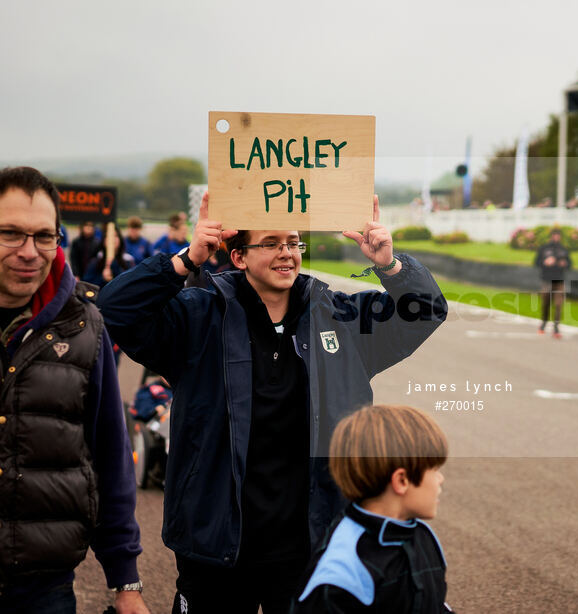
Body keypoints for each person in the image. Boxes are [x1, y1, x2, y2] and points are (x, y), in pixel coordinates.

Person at [97, 193, 447, 614]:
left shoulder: (340, 316)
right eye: (272, 242)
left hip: (311, 547)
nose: (286, 252)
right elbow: (114, 309)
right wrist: (187, 259)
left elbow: (425, 311)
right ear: (239, 256)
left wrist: (390, 266)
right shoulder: (197, 316)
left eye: (294, 242)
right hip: (216, 548)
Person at [0, 167, 148, 613]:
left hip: (44, 588)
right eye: (11, 234)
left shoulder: (85, 324)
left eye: (44, 236)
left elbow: (111, 454)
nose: (30, 252)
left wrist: (126, 582)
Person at [292, 404, 451, 613]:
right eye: (434, 469)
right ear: (401, 480)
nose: (441, 479)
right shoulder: (343, 570)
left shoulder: (424, 537)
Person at [535, 228, 571, 338]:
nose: (556, 237)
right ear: (551, 236)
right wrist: (545, 262)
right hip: (547, 279)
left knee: (558, 304)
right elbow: (536, 262)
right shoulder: (544, 248)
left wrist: (564, 263)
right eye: (555, 235)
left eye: (558, 235)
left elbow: (570, 264)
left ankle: (556, 327)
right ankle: (543, 323)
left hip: (559, 280)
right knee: (546, 302)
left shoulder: (563, 250)